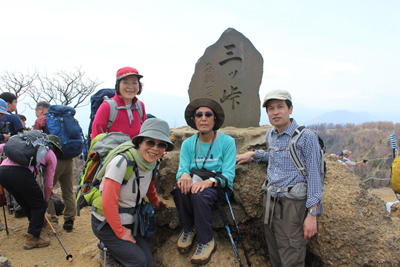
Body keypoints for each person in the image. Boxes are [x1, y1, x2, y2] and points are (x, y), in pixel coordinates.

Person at [236, 89, 322, 267]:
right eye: (270, 108)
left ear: (290, 109)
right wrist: (254, 154)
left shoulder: (307, 137)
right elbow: (276, 157)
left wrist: (312, 213)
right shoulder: (271, 135)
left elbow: (315, 175)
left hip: (292, 205)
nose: (275, 112)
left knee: (292, 252)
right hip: (270, 201)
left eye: (280, 107)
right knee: (274, 251)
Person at [91, 118, 174, 267]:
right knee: (138, 262)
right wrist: (120, 231)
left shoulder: (152, 163)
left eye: (161, 144)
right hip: (107, 223)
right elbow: (108, 202)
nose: (155, 148)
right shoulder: (121, 162)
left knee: (148, 263)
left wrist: (155, 200)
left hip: (131, 220)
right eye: (150, 142)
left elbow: (149, 185)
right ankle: (105, 247)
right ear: (140, 142)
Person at [171, 98, 236, 265]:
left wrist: (208, 183)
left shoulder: (227, 142)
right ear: (194, 120)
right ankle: (188, 229)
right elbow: (182, 170)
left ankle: (206, 240)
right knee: (179, 189)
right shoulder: (188, 144)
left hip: (217, 185)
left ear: (215, 119)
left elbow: (228, 175)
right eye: (199, 115)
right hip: (195, 181)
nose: (204, 118)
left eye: (208, 114)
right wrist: (184, 175)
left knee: (199, 195)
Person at [0, 133, 58, 249]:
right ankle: (33, 237)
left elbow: (3, 147)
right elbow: (48, 183)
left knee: (25, 201)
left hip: (3, 171)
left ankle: (34, 226)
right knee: (39, 204)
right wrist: (44, 201)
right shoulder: (50, 154)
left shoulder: (24, 146)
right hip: (21, 173)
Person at [33, 101, 76, 232]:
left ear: (40, 109)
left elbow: (34, 139)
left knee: (46, 191)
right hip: (69, 159)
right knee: (68, 191)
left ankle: (52, 220)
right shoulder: (66, 119)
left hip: (53, 160)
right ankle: (69, 220)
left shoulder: (42, 119)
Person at [91, 66, 147, 140]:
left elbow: (145, 134)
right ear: (118, 85)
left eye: (134, 82)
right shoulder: (107, 107)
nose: (130, 87)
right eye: (125, 82)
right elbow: (96, 139)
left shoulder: (140, 106)